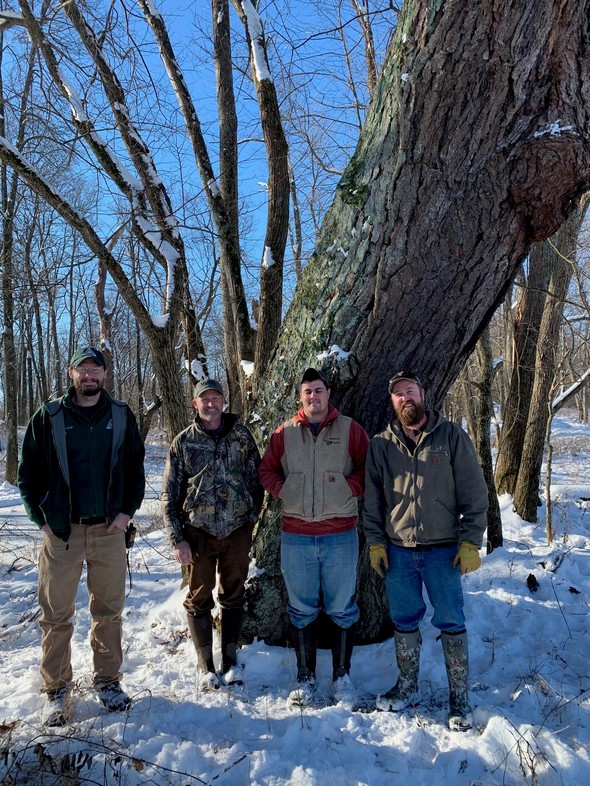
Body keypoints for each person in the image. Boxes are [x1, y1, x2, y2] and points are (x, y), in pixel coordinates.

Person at [18, 346, 145, 727]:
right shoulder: (51, 416)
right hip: (62, 533)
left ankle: (108, 682)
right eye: (82, 370)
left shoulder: (121, 416)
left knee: (108, 612)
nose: (89, 377)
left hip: (108, 531)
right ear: (71, 373)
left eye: (96, 370)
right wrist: (41, 520)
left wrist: (127, 512)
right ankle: (56, 691)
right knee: (56, 614)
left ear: (105, 375)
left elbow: (135, 467)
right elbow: (28, 474)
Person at [363, 370, 488, 731]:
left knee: (451, 621)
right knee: (403, 621)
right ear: (392, 401)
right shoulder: (381, 445)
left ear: (423, 394)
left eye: (410, 391)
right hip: (399, 552)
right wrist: (375, 542)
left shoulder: (450, 436)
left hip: (444, 551)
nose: (405, 398)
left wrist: (470, 541)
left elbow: (474, 493)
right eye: (398, 394)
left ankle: (460, 698)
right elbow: (372, 501)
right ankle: (407, 687)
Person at [259, 368, 370, 707]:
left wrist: (347, 489)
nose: (313, 397)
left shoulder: (350, 429)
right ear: (300, 396)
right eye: (307, 392)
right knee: (301, 609)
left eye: (318, 391)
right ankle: (305, 678)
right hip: (297, 537)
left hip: (340, 535)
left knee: (342, 608)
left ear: (328, 393)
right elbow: (266, 470)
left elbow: (370, 468)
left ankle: (342, 677)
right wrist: (286, 491)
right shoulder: (285, 433)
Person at [162, 379, 263, 690]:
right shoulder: (183, 442)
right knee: (199, 596)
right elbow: (169, 494)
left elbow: (257, 480)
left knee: (234, 594)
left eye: (215, 398)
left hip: (236, 530)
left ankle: (231, 662)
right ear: (195, 404)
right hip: (198, 532)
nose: (210, 404)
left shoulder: (242, 437)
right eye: (204, 399)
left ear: (224, 401)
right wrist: (177, 538)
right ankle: (206, 664)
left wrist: (251, 520)